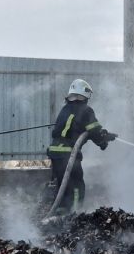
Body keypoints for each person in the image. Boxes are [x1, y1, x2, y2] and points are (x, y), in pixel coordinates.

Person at [47, 79, 117, 213]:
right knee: (76, 187)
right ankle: (74, 215)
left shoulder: (65, 109)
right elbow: (94, 131)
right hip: (68, 153)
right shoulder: (86, 110)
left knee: (63, 185)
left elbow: (85, 131)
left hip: (55, 152)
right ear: (83, 94)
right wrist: (104, 140)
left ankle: (60, 215)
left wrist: (101, 136)